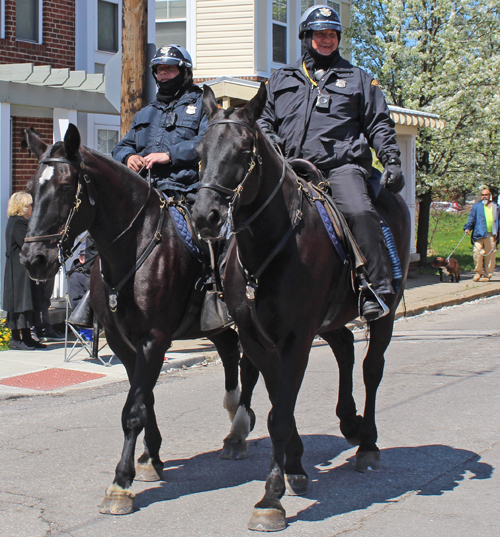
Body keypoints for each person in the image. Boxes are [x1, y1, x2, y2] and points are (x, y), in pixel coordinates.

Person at [257, 5, 405, 322]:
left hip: (341, 168)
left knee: (360, 211)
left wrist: (391, 159)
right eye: (320, 34)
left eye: (332, 34)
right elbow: (263, 120)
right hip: (290, 169)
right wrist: (271, 142)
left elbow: (379, 124)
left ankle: (374, 289)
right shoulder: (280, 79)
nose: (326, 40)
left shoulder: (359, 79)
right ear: (306, 37)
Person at [112, 44, 208, 202]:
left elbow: (209, 143)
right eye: (159, 69)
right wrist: (129, 157)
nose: (162, 72)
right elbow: (121, 147)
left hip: (187, 191)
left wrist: (169, 155)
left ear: (184, 73)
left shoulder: (204, 105)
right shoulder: (146, 113)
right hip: (145, 189)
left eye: (169, 68)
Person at [2, 192, 45, 350]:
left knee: (26, 304)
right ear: (22, 207)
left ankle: (27, 338)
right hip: (18, 271)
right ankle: (16, 339)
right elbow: (26, 245)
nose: (32, 208)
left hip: (21, 270)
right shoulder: (19, 223)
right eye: (30, 205)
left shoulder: (16, 222)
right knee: (20, 304)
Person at [464, 189, 499, 282]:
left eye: (486, 195)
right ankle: (478, 272)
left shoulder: (496, 206)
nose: (484, 196)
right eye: (482, 195)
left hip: (491, 234)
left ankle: (487, 275)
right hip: (478, 233)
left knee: (490, 255)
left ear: (490, 195)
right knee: (477, 252)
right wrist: (468, 228)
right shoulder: (477, 206)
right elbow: (471, 218)